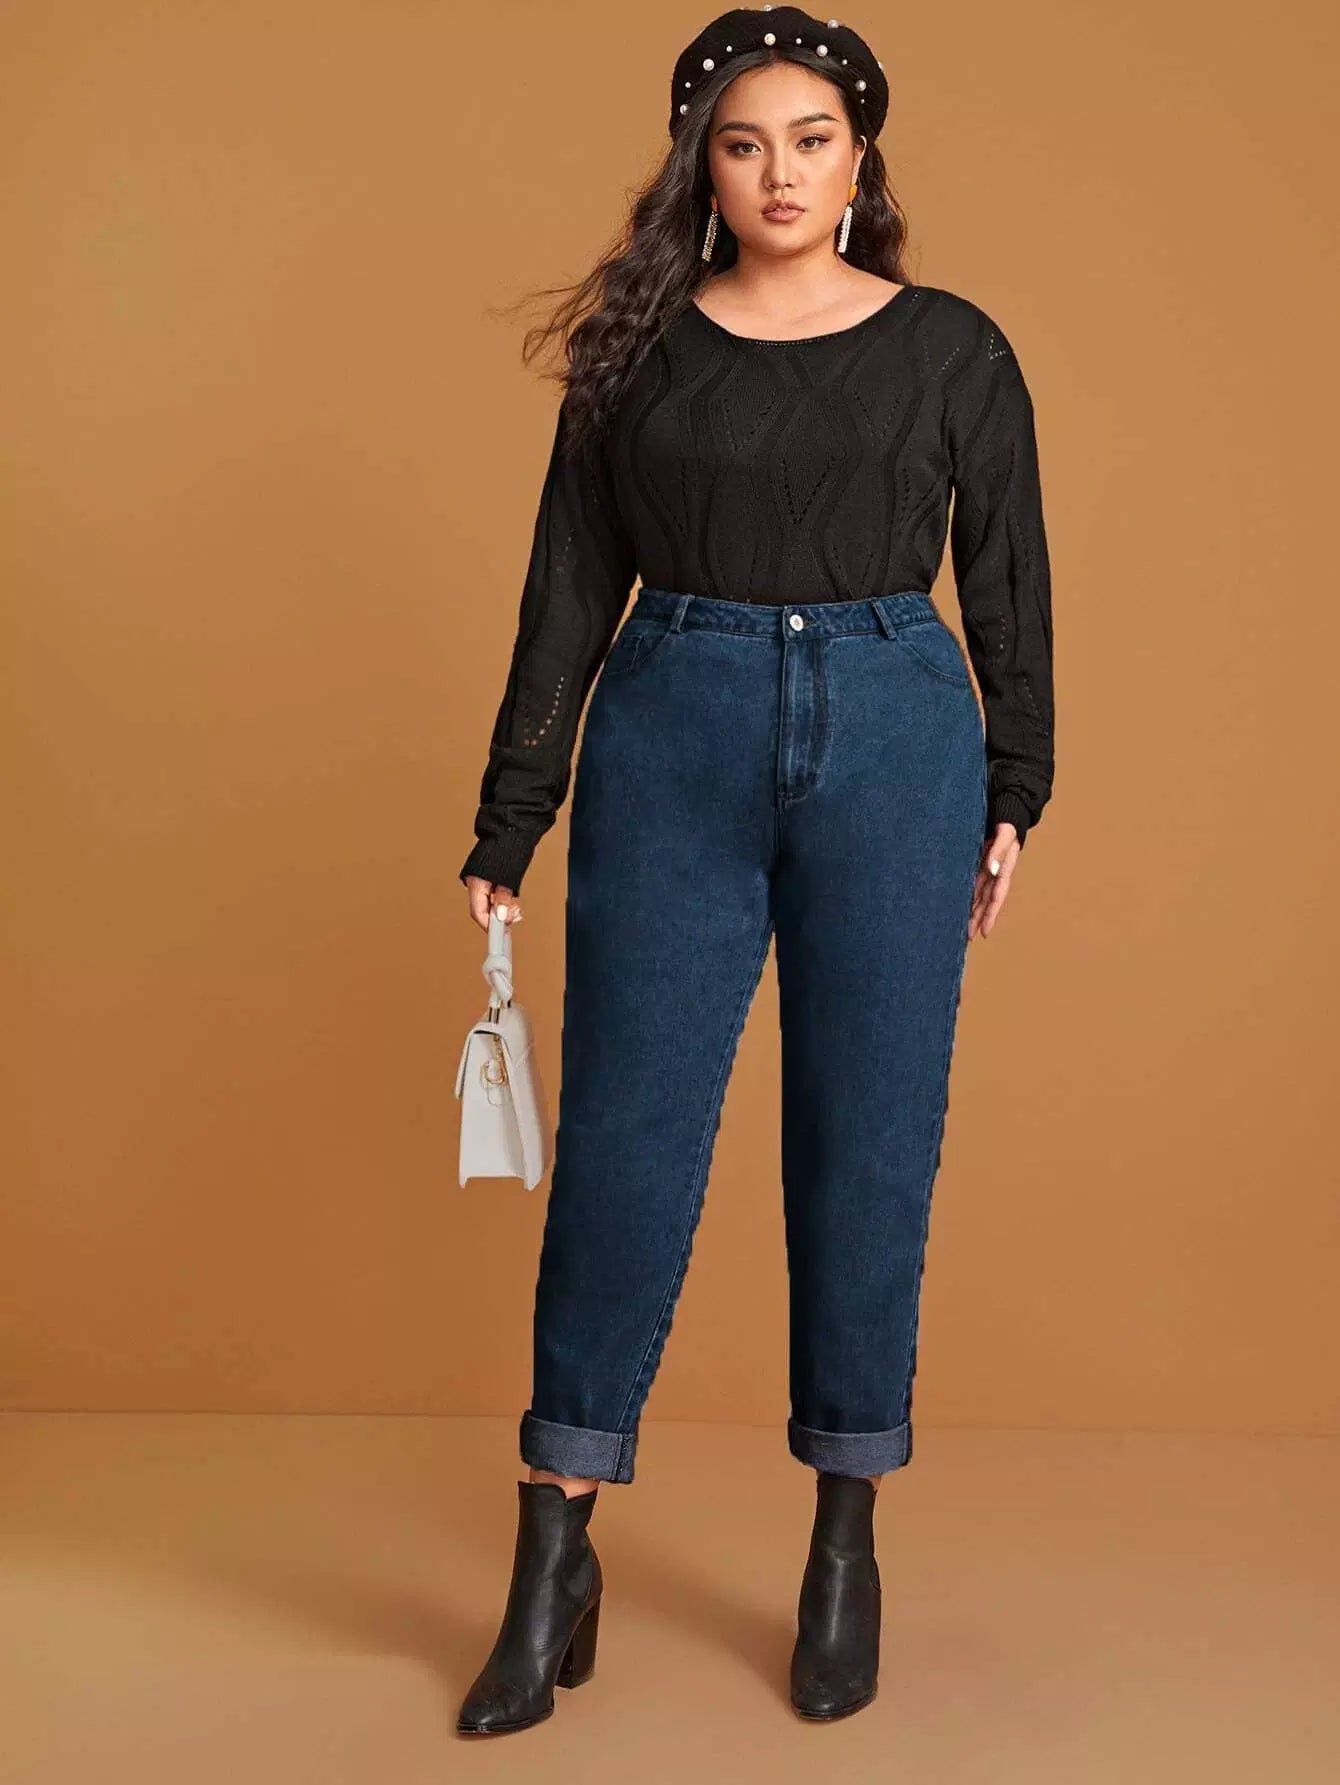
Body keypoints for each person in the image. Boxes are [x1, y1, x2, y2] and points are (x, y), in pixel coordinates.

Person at [456, 4, 1054, 1735]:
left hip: (896, 736)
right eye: (742, 143)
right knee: (627, 1141)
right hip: (675, 727)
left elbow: (1008, 581)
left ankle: (844, 1541)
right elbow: (569, 587)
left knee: (870, 1140)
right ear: (699, 169)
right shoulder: (640, 354)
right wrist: (512, 814)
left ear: (860, 157)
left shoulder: (954, 350)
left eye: (811, 139)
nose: (780, 173)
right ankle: (554, 1550)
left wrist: (1015, 786)